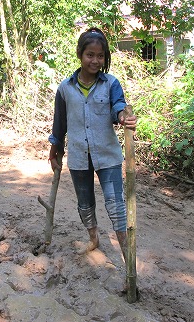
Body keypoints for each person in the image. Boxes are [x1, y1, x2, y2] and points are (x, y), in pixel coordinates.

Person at [48, 27, 137, 262]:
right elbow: (60, 124)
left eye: (100, 56)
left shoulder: (111, 84)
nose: (95, 61)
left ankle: (128, 259)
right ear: (80, 53)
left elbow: (118, 106)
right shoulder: (65, 89)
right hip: (78, 156)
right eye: (90, 55)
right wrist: (54, 150)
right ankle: (94, 238)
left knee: (116, 205)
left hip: (107, 155)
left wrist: (123, 117)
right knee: (85, 203)